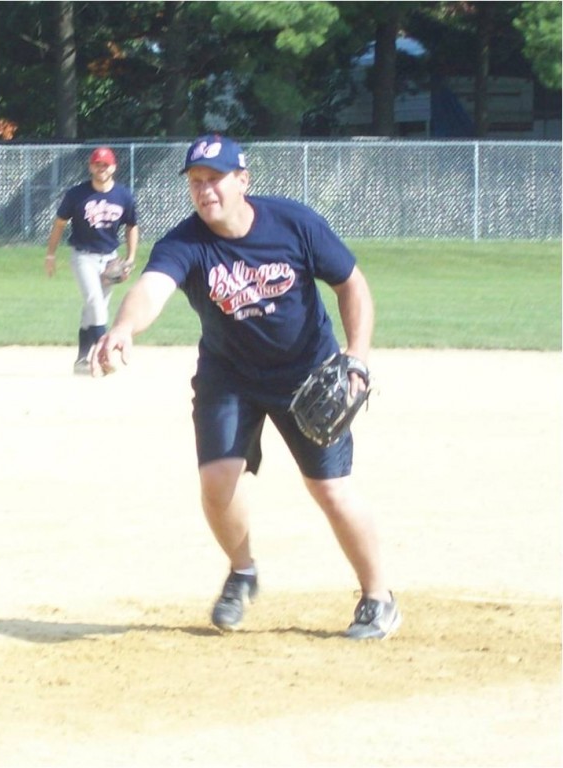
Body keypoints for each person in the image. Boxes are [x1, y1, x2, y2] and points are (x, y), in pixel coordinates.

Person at [91, 134, 401, 640]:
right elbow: (152, 289)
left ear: (243, 181)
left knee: (330, 488)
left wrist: (357, 359)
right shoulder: (185, 243)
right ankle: (242, 572)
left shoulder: (293, 223)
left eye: (215, 179)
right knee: (217, 482)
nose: (205, 190)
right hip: (229, 376)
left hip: (306, 374)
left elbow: (352, 284)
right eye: (196, 181)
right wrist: (124, 327)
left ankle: (378, 597)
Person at [45, 147, 139, 374]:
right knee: (95, 304)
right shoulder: (76, 194)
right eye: (97, 164)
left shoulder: (124, 196)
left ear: (113, 167)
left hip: (110, 259)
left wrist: (130, 258)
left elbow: (131, 226)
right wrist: (51, 254)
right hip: (83, 256)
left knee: (94, 310)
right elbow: (59, 224)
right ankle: (104, 357)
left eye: (105, 164)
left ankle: (81, 361)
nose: (101, 168)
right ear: (91, 167)